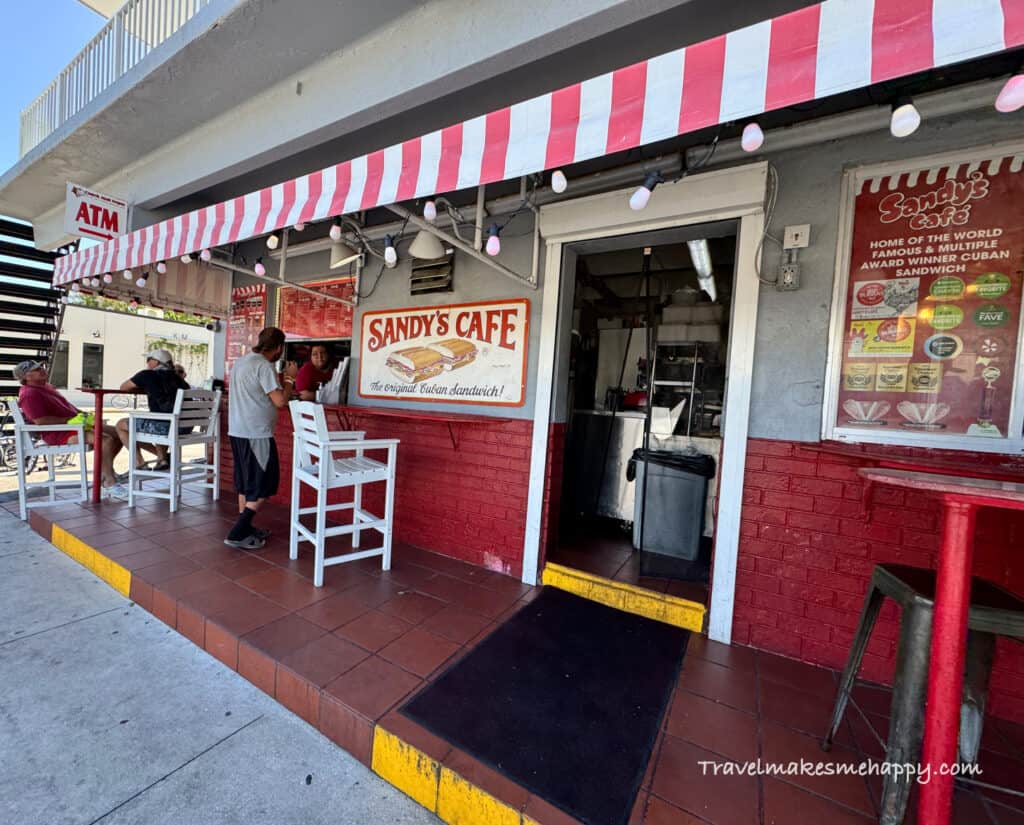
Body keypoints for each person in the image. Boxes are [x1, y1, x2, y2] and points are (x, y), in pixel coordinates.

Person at [224, 327, 297, 549]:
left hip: (237, 431)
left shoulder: (242, 361)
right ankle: (237, 532)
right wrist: (290, 379)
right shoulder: (264, 366)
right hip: (257, 433)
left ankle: (244, 527)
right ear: (278, 348)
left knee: (246, 483)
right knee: (265, 482)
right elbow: (280, 402)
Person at [14, 360, 123, 493]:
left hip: (74, 425)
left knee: (119, 433)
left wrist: (81, 414)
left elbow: (67, 406)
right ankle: (109, 481)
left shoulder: (47, 387)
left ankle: (105, 472)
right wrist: (70, 420)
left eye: (41, 367)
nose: (42, 370)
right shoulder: (29, 394)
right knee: (105, 439)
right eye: (37, 369)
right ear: (27, 377)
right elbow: (41, 421)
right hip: (58, 432)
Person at [114, 349, 189, 478]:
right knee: (157, 418)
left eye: (148, 360)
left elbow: (123, 387)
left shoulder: (146, 375)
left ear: (155, 362)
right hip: (185, 427)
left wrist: (144, 385)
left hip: (167, 427)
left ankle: (140, 463)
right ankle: (163, 458)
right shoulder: (179, 379)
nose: (147, 363)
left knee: (121, 425)